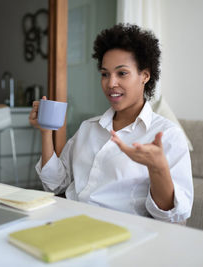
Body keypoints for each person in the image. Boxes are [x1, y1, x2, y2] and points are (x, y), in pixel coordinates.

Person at [28, 24, 193, 223]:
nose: (110, 83)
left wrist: (158, 168)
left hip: (119, 231)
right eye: (105, 74)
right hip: (68, 220)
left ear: (145, 76)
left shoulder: (168, 135)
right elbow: (55, 184)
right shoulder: (89, 128)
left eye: (121, 73)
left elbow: (172, 215)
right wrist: (46, 131)